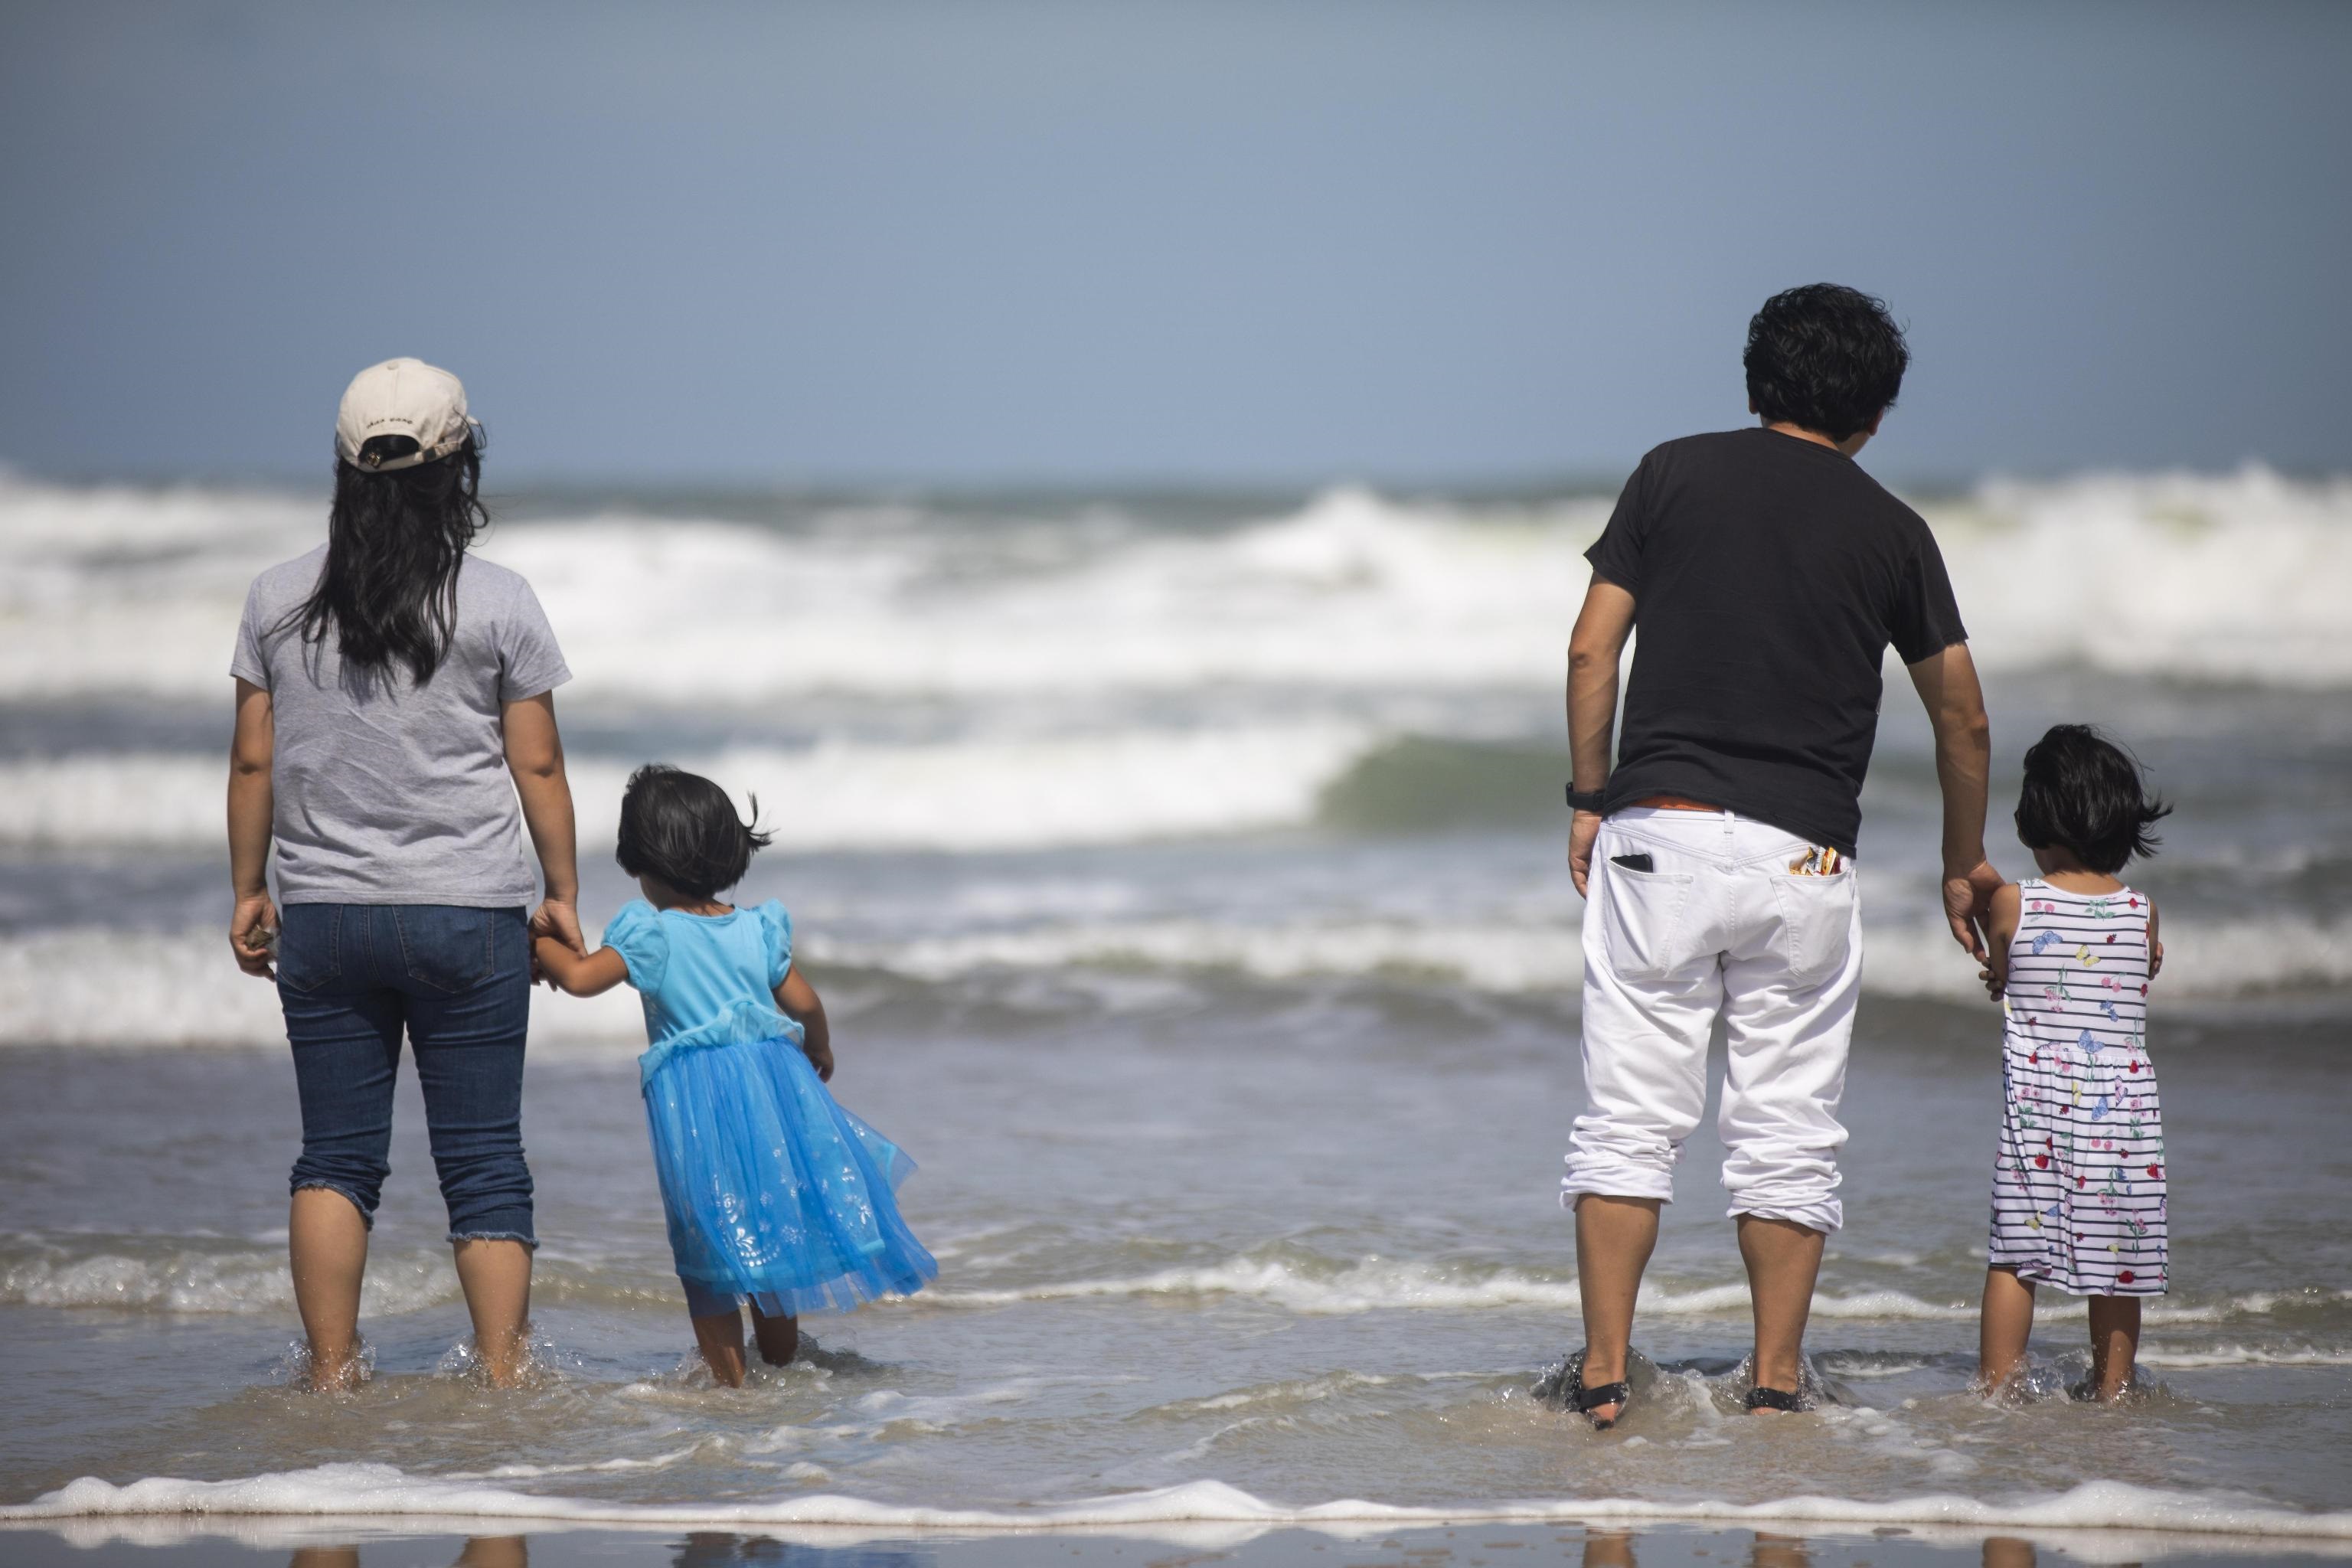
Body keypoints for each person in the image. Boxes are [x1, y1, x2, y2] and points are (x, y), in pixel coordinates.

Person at [1557, 284, 2000, 1426]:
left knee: (1627, 1112)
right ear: (1875, 414)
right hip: (1805, 859)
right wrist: (1963, 862)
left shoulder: (1671, 472)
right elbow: (1963, 718)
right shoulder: (1894, 529)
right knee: (1788, 1122)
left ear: (1756, 381)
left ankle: (1605, 1376)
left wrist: (1587, 799)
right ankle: (1775, 1381)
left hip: (1657, 834)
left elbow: (1591, 648)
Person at [228, 358, 586, 1390]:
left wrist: (250, 890)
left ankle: (333, 1375)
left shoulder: (277, 597)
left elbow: (254, 758)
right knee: (482, 1163)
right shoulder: (501, 599)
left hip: (326, 915)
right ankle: (506, 1378)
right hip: (468, 913)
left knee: (336, 1159)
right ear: (460, 460)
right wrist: (560, 893)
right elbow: (540, 764)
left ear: (346, 466)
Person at [533, 765, 936, 1385]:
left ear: (641, 860)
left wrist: (534, 944)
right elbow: (804, 1005)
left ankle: (731, 1387)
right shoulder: (755, 928)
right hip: (777, 1098)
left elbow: (583, 979)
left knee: (707, 1243)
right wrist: (819, 1049)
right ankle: (780, 1363)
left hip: (696, 1111)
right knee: (773, 1231)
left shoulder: (653, 935)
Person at [1975, 725, 2171, 1402]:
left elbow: (2002, 972)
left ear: (2038, 815)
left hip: (2040, 1108)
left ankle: (1998, 1390)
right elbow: (2139, 972)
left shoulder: (2015, 902)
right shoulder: (2140, 912)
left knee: (2015, 1257)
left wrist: (2001, 965)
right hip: (2124, 1115)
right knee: (2119, 1263)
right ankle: (2111, 1390)